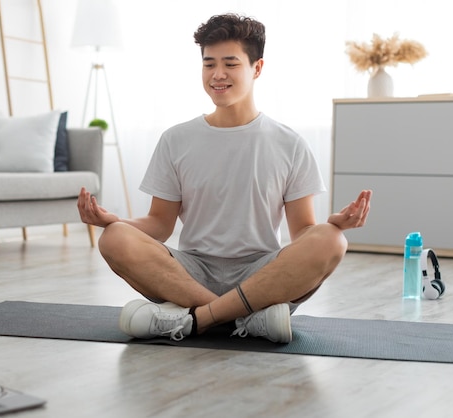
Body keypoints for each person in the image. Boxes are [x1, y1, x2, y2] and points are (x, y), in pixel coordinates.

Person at [77, 13, 372, 344]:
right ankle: (245, 319)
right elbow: (160, 224)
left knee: (332, 241)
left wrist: (330, 226)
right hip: (189, 274)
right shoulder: (176, 139)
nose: (217, 75)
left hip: (263, 274)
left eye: (230, 64)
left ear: (257, 68)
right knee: (114, 238)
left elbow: (302, 232)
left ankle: (198, 319)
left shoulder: (289, 144)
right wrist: (113, 221)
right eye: (209, 64)